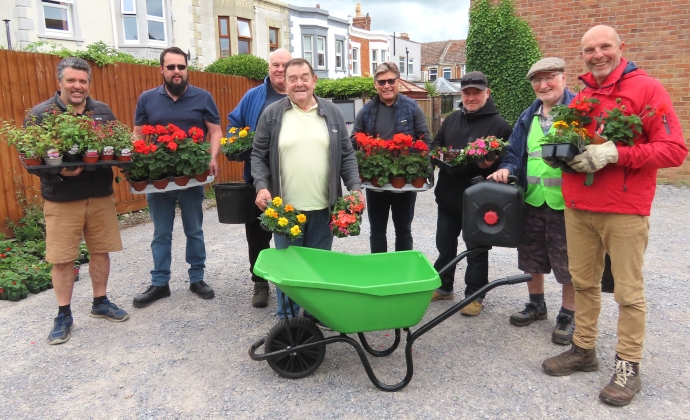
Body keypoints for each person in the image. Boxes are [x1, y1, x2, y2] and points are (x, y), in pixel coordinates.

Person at [541, 25, 687, 406]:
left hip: (624, 210)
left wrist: (615, 153)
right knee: (584, 283)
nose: (597, 54)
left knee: (627, 292)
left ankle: (628, 367)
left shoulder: (648, 90)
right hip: (578, 207)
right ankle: (583, 349)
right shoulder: (584, 94)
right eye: (589, 49)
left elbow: (674, 150)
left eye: (604, 46)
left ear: (622, 48)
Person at [26, 57, 128, 344]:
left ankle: (100, 301)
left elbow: (116, 147)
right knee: (62, 259)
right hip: (62, 199)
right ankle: (63, 314)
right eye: (71, 80)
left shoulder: (102, 112)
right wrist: (59, 174)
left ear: (88, 84)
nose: (77, 86)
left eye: (82, 81)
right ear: (60, 82)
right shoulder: (42, 114)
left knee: (101, 250)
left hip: (99, 195)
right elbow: (31, 159)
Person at [251, 58, 363, 319]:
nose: (298, 83)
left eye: (304, 77)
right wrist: (261, 186)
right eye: (292, 78)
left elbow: (346, 154)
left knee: (317, 269)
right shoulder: (273, 114)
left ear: (314, 81)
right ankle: (289, 324)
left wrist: (355, 188)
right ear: (285, 83)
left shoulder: (332, 113)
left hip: (324, 209)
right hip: (285, 212)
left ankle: (313, 320)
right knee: (289, 273)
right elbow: (257, 154)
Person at [488, 58, 576, 345]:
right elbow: (514, 154)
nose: (543, 85)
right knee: (532, 258)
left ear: (563, 78)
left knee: (568, 265)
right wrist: (507, 169)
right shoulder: (529, 116)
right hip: (533, 201)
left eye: (549, 77)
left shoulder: (579, 111)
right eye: (537, 80)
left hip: (568, 205)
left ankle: (568, 315)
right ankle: (536, 305)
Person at [131, 47, 222, 308]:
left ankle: (197, 278)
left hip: (192, 176)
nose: (176, 71)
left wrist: (212, 157)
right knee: (161, 232)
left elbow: (215, 131)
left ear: (186, 69)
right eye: (171, 67)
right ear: (161, 69)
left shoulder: (203, 97)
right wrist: (136, 162)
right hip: (158, 177)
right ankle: (160, 283)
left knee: (194, 230)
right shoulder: (147, 99)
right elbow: (137, 134)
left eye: (181, 67)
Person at [430, 71, 513, 317]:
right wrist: (438, 155)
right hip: (448, 195)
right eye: (467, 92)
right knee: (445, 245)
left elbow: (507, 164)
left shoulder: (500, 125)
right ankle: (444, 287)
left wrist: (492, 166)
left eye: (477, 92)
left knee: (476, 249)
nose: (471, 97)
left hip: (479, 200)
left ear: (487, 93)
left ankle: (475, 295)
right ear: (461, 95)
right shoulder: (452, 119)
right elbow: (436, 145)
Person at [227, 49, 292, 308]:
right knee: (257, 234)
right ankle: (260, 282)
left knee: (292, 231)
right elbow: (233, 125)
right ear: (269, 67)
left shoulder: (302, 95)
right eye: (275, 65)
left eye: (284, 65)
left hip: (292, 179)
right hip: (257, 179)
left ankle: (293, 283)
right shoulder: (253, 96)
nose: (279, 69)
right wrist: (239, 139)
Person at [350, 62, 431, 253]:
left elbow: (425, 140)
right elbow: (353, 141)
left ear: (398, 82)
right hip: (375, 181)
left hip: (404, 180)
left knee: (404, 230)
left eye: (390, 81)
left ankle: (402, 274)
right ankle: (380, 273)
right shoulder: (366, 110)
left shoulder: (412, 108)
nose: (386, 85)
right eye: (381, 82)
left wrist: (418, 164)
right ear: (375, 85)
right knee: (377, 231)